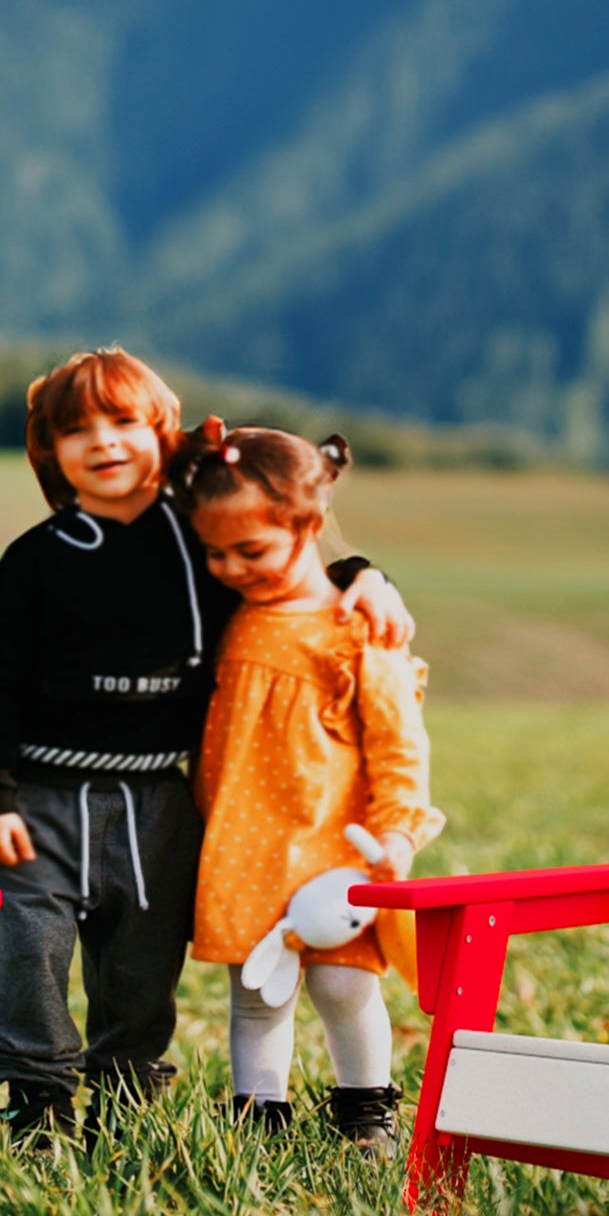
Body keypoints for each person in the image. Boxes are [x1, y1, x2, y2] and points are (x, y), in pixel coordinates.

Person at [0, 348, 414, 1140]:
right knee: (26, 951)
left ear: (162, 433)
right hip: (44, 795)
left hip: (160, 796)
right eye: (77, 429)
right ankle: (36, 1098)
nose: (103, 441)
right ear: (49, 450)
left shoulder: (200, 539)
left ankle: (127, 1094)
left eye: (125, 421)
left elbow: (282, 559)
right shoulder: (37, 561)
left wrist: (362, 576)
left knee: (140, 959)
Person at [169, 419, 443, 1150]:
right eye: (215, 553)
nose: (232, 567)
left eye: (251, 550)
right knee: (259, 995)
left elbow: (398, 744)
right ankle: (257, 1125)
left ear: (311, 525)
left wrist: (397, 831)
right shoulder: (227, 619)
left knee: (344, 987)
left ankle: (366, 1110)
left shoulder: (356, 628)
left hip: (334, 853)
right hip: (246, 848)